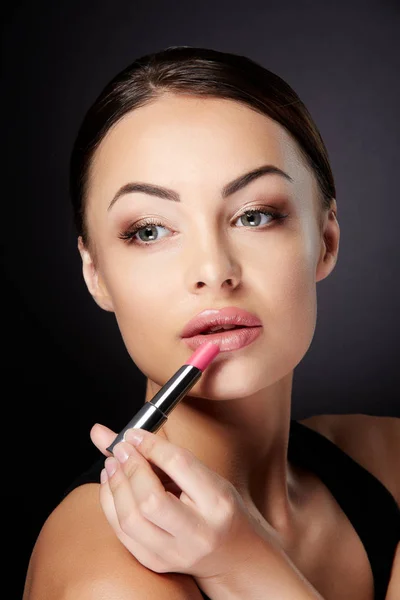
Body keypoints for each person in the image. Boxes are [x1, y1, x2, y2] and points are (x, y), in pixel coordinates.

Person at [23, 46, 399, 599]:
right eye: (149, 230)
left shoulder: (384, 458)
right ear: (95, 272)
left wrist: (245, 564)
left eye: (254, 215)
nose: (213, 271)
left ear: (326, 239)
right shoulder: (106, 577)